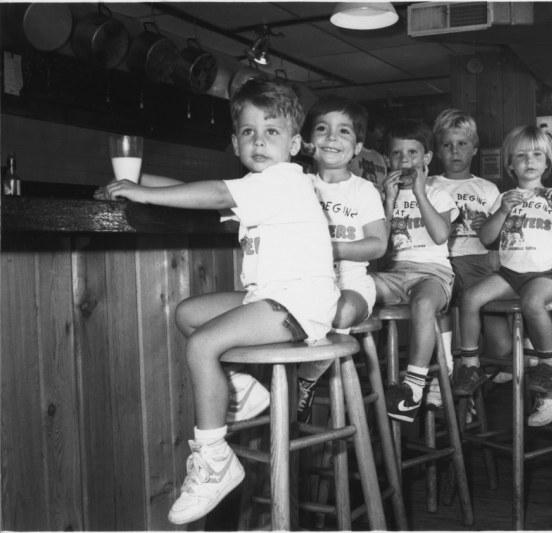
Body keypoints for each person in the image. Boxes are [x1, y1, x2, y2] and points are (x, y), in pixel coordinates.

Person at [102, 78, 340, 525]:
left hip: (300, 305)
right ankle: (238, 389)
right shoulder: (258, 185)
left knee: (202, 344)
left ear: (296, 143)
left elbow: (213, 193)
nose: (259, 141)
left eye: (272, 132)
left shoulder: (285, 181)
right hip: (271, 296)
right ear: (234, 142)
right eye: (248, 132)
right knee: (188, 314)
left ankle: (214, 460)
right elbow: (202, 194)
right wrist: (130, 180)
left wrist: (143, 193)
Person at [456, 125, 552, 426]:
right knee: (471, 297)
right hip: (509, 273)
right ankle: (469, 365)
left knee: (532, 302)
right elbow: (487, 238)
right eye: (521, 155)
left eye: (537, 154)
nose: (529, 160)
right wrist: (501, 212)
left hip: (545, 274)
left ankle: (549, 364)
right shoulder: (504, 198)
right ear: (510, 165)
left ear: (547, 162)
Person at [295, 96, 388, 423]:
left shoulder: (364, 191)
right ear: (308, 142)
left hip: (351, 286)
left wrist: (328, 248)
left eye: (343, 131)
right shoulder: (298, 185)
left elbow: (378, 245)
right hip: (304, 286)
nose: (332, 137)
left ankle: (304, 380)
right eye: (323, 129)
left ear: (359, 145)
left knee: (340, 310)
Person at [372, 118, 458, 423]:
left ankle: (414, 387)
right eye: (397, 154)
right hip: (393, 273)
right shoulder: (382, 196)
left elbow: (439, 236)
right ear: (387, 160)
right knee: (357, 289)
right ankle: (345, 374)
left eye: (412, 153)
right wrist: (389, 200)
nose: (405, 160)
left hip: (432, 273)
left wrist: (420, 193)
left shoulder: (437, 194)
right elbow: (377, 247)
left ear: (427, 159)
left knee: (423, 304)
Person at [427, 109, 511, 402]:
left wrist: (488, 230)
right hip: (443, 265)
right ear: (437, 150)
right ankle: (451, 386)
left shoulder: (487, 189)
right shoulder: (430, 185)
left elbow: (502, 237)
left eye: (462, 144)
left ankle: (472, 385)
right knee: (450, 337)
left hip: (481, 265)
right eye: (448, 144)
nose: (455, 151)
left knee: (501, 345)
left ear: (474, 148)